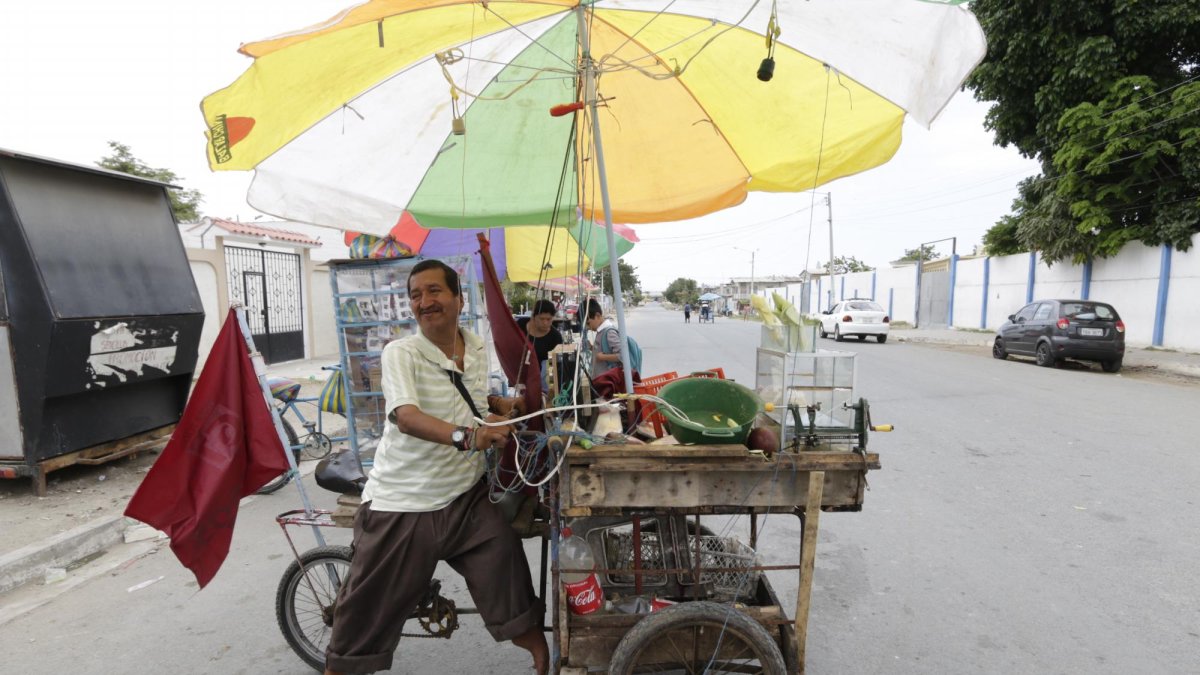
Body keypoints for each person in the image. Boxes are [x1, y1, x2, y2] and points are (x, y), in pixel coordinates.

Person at [323, 259, 548, 675]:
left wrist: (498, 411)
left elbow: (472, 403)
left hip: (464, 495)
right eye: (415, 295)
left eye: (433, 291)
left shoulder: (476, 347)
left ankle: (534, 644)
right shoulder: (400, 353)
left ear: (458, 299)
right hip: (404, 501)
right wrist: (469, 436)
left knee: (504, 557)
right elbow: (406, 416)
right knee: (364, 612)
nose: (424, 302)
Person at [516, 298, 565, 368]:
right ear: (533, 316)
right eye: (541, 319)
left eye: (549, 319)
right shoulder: (521, 324)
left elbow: (556, 365)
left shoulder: (555, 337)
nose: (545, 323)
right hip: (516, 371)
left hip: (539, 376)